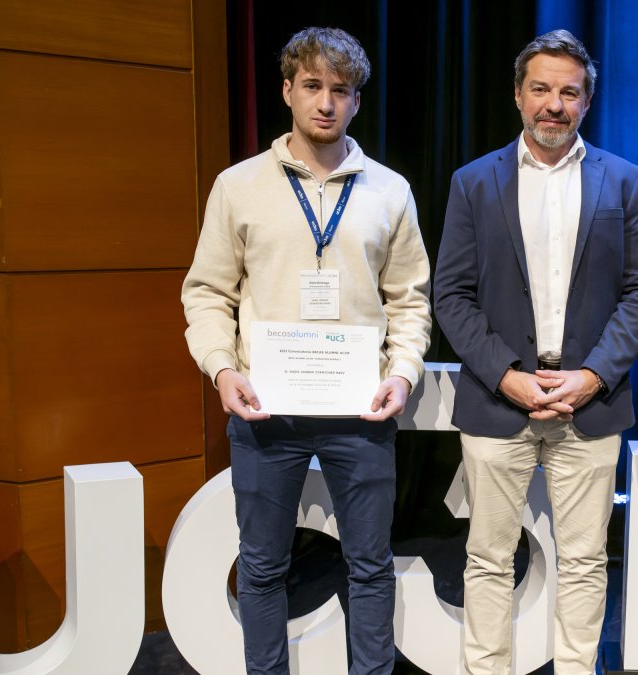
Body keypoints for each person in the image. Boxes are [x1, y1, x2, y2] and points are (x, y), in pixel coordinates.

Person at [181, 27, 431, 675]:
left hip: (361, 412)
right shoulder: (238, 186)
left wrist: (403, 373)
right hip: (266, 409)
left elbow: (410, 300)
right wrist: (222, 368)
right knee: (262, 567)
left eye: (340, 90)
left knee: (370, 565)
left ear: (356, 101)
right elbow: (207, 292)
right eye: (313, 85)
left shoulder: (390, 191)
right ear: (287, 89)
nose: (326, 102)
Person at [434, 29, 638, 675]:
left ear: (587, 101)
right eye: (541, 89)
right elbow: (450, 294)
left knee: (586, 560)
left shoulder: (626, 181)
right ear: (518, 95)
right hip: (497, 401)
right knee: (487, 558)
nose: (554, 105)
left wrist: (593, 375)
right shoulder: (473, 182)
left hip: (589, 403)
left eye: (569, 92)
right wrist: (505, 376)